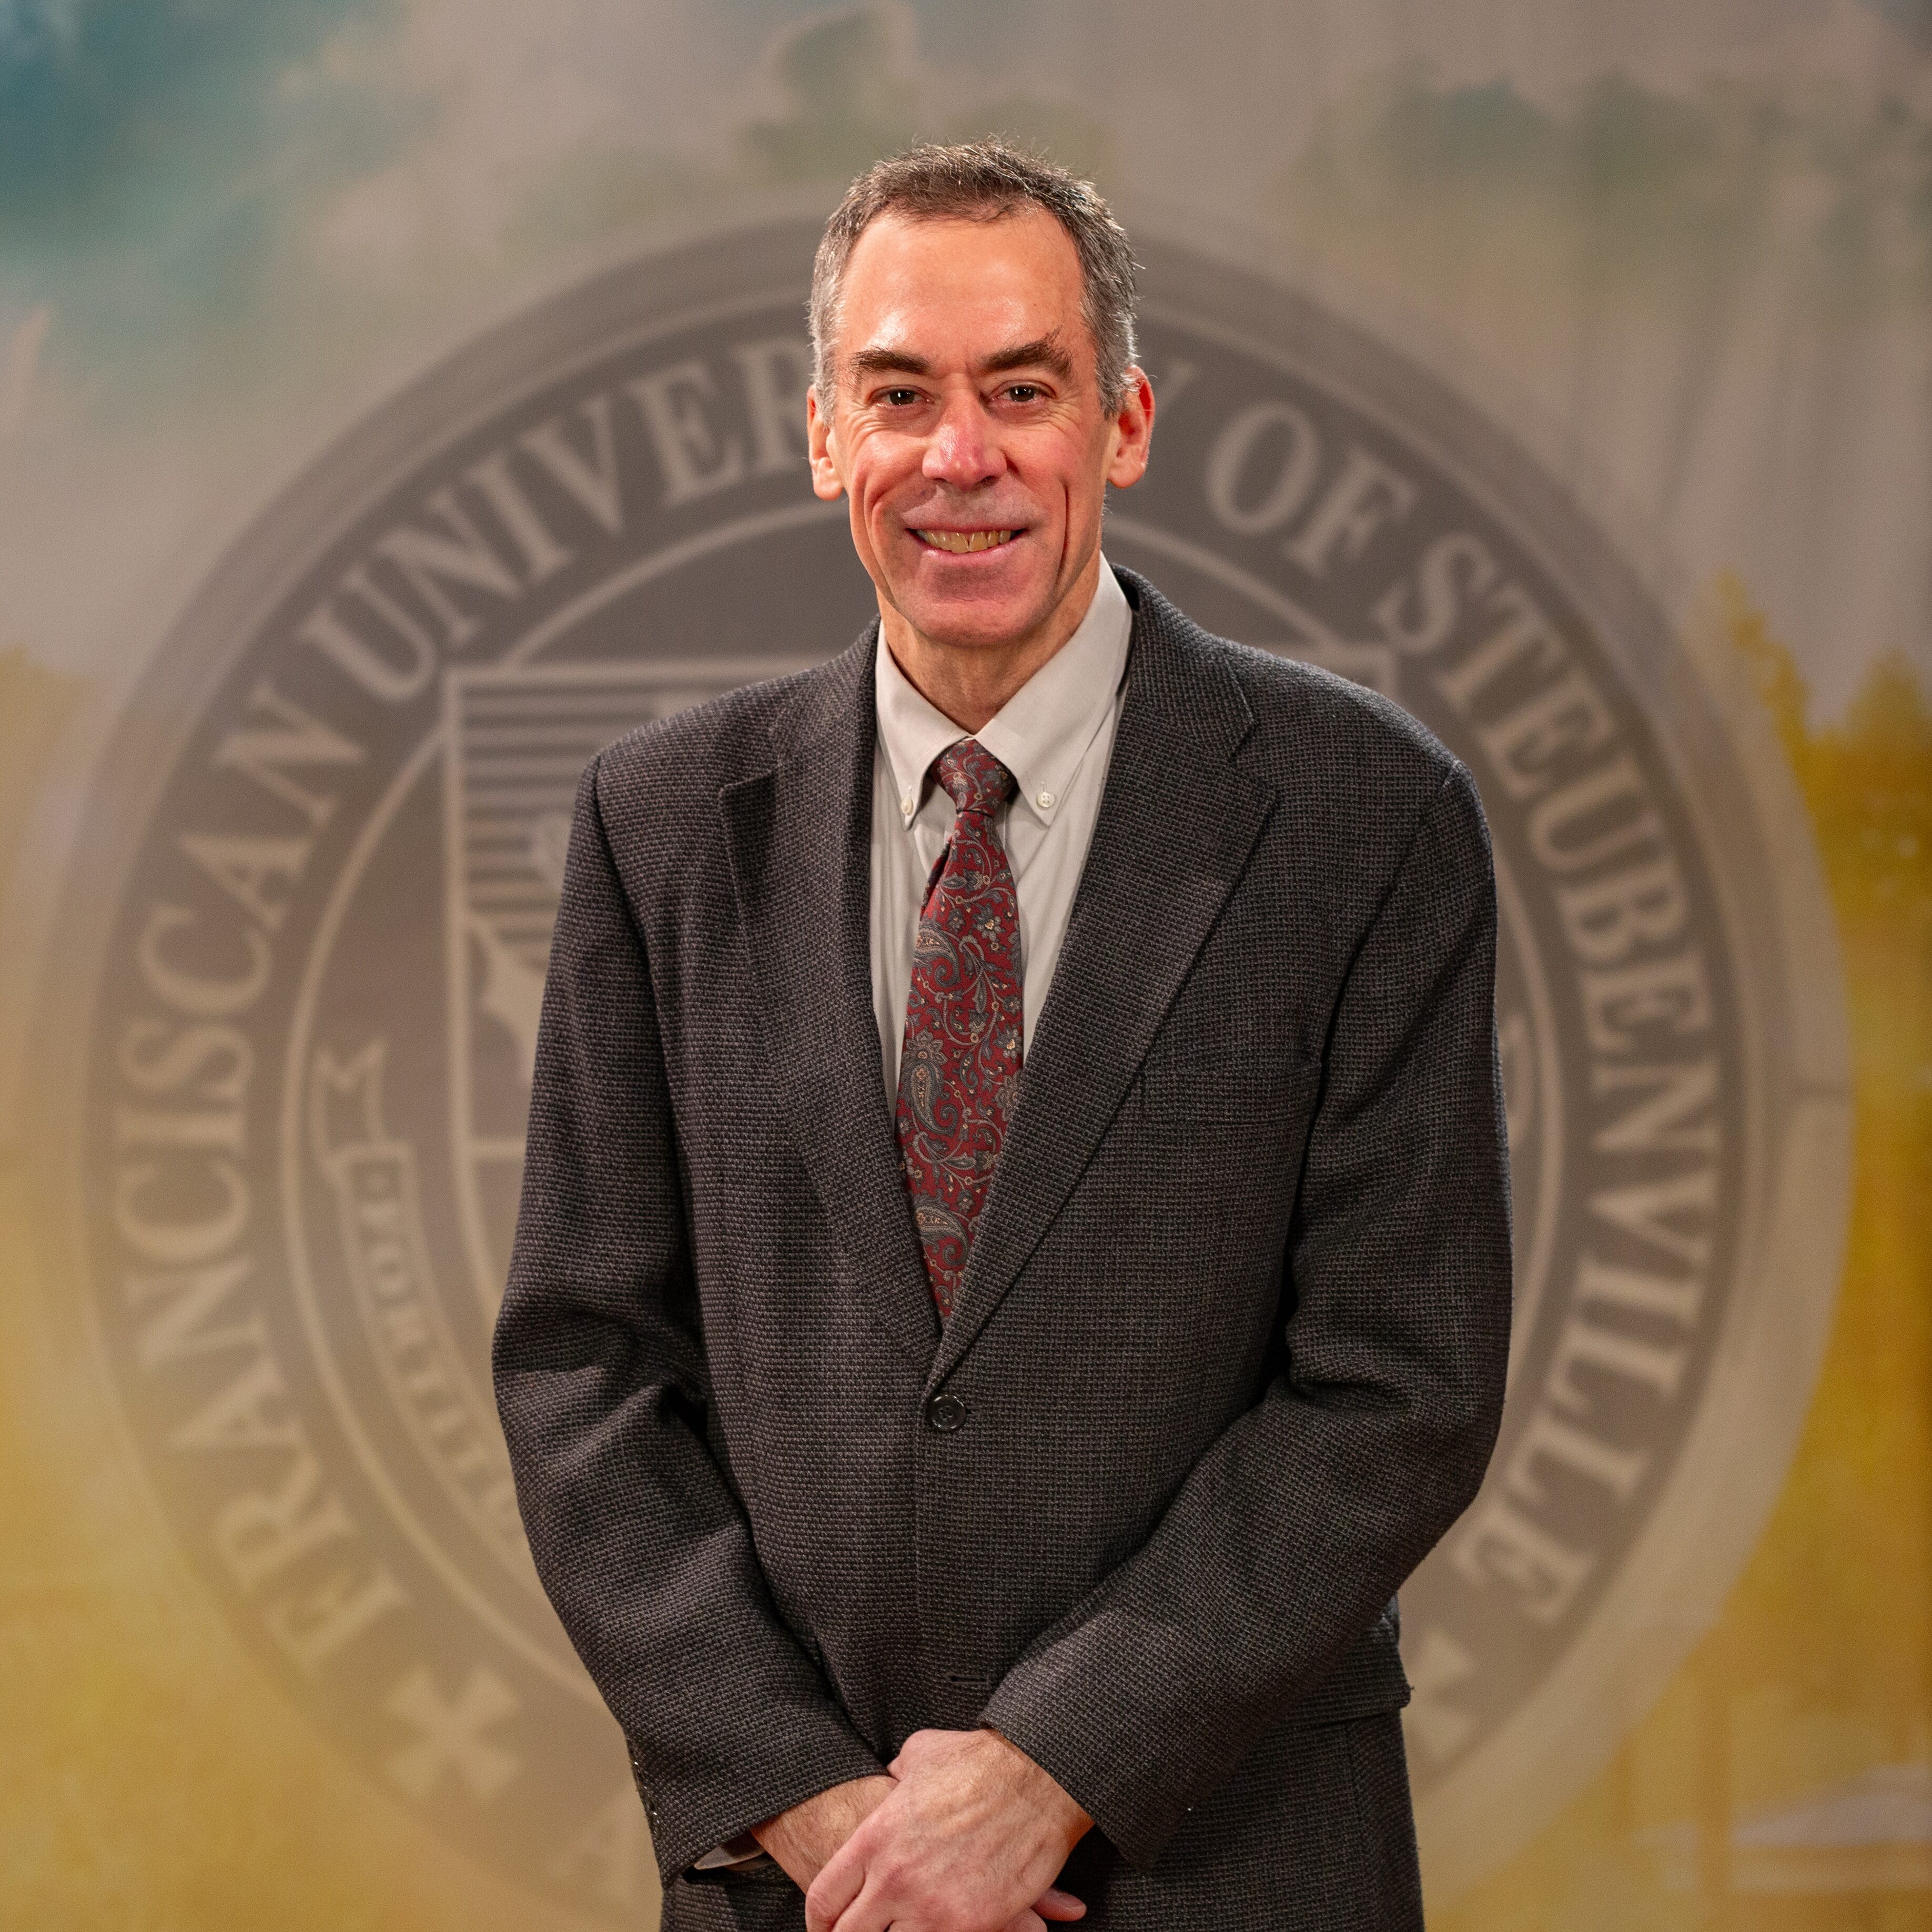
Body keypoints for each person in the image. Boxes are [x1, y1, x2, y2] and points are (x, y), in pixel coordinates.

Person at [493, 140, 1512, 1932]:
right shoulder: (657, 825)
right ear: (823, 437)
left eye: (1019, 389)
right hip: (810, 1890)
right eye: (899, 394)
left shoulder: (1368, 815)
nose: (958, 456)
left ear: (1120, 422)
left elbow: (1396, 1384)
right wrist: (806, 1799)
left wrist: (1051, 1768)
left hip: (1226, 1863)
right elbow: (585, 1370)